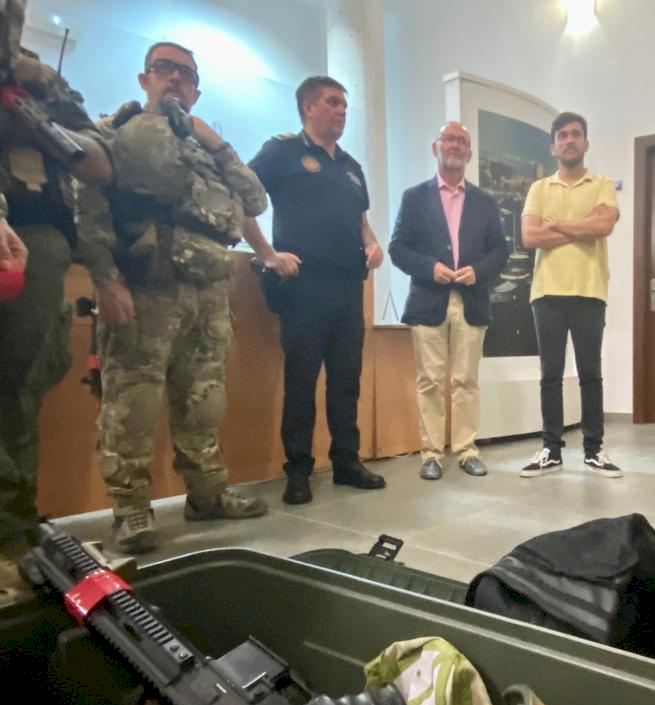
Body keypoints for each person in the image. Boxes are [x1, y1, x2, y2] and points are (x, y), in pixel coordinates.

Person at [86, 42, 270, 554]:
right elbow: (88, 207)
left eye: (186, 74)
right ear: (144, 79)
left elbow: (255, 200)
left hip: (208, 291)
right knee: (133, 403)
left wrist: (218, 144)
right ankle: (130, 511)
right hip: (146, 288)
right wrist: (105, 278)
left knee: (204, 400)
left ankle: (207, 494)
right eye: (163, 69)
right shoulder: (114, 134)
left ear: (196, 91)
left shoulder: (208, 147)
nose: (175, 79)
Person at [0, 22, 114, 599]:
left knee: (19, 388)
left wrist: (36, 124)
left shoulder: (40, 80)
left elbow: (96, 162)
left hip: (34, 236)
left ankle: (14, 532)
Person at [245, 76, 386, 505]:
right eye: (332, 102)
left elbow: (361, 222)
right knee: (302, 381)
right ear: (308, 107)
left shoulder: (351, 166)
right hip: (304, 286)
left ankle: (346, 461)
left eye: (344, 103)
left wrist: (372, 244)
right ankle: (299, 470)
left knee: (346, 381)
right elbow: (238, 197)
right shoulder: (282, 152)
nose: (342, 110)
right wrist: (268, 254)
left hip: (348, 288)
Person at [389, 122, 510, 480]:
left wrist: (478, 271)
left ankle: (466, 450)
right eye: (449, 139)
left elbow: (500, 251)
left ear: (469, 153)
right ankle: (431, 454)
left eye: (462, 141)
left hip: (471, 301)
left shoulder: (485, 202)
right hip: (429, 301)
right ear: (435, 148)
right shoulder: (414, 197)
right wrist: (430, 268)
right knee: (429, 381)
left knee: (466, 380)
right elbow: (397, 248)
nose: (455, 145)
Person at [517, 112, 622, 480]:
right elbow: (530, 237)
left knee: (590, 373)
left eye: (576, 134)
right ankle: (551, 450)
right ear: (553, 146)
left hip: (590, 290)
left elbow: (604, 225)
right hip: (547, 292)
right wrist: (583, 227)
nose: (569, 140)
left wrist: (558, 224)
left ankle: (594, 451)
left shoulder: (602, 184)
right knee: (550, 374)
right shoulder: (539, 188)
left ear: (586, 142)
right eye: (562, 135)